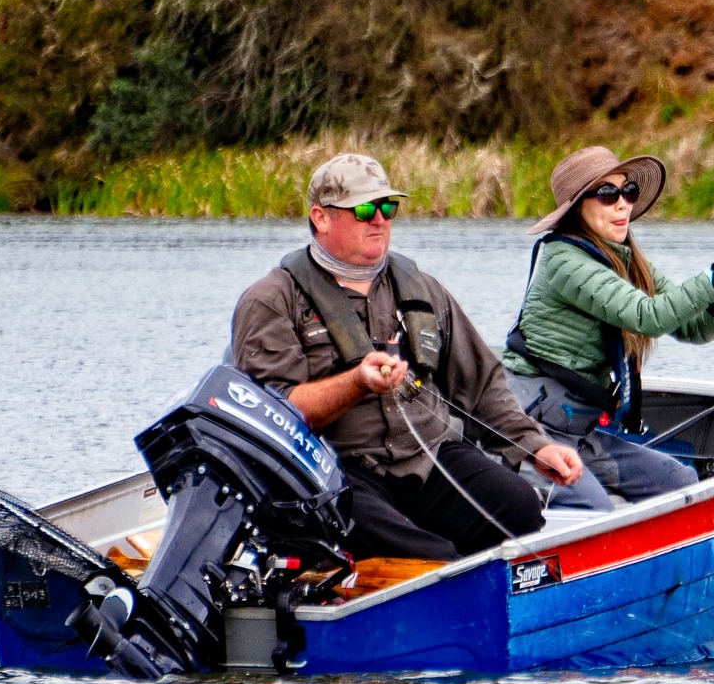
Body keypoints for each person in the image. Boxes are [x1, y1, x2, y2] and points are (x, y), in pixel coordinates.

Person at [230, 153, 586, 561]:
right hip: (338, 471)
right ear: (321, 218)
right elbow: (271, 419)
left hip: (428, 458)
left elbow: (482, 384)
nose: (379, 219)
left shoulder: (422, 289)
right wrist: (355, 383)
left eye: (388, 207)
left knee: (519, 506)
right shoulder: (272, 300)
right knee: (429, 556)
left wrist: (535, 447)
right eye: (364, 209)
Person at [503, 146, 714, 510]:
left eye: (627, 191)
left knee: (680, 483)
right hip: (531, 431)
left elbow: (692, 327)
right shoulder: (564, 262)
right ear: (576, 209)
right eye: (607, 193)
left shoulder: (625, 259)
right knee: (594, 511)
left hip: (580, 433)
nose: (623, 204)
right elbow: (648, 316)